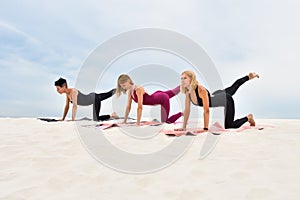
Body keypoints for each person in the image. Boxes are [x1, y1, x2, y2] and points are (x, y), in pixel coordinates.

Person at [177, 71, 259, 132]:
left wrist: (205, 129)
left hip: (226, 100)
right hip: (217, 95)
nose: (182, 80)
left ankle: (248, 117)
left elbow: (206, 110)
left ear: (191, 79)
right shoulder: (188, 92)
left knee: (229, 125)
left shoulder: (200, 89)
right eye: (181, 78)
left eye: (185, 78)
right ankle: (249, 77)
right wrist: (184, 127)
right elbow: (187, 110)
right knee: (233, 87)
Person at [116, 74, 182, 125]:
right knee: (175, 91)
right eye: (121, 86)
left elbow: (140, 107)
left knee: (165, 122)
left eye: (124, 85)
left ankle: (181, 113)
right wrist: (124, 121)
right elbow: (128, 107)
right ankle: (186, 83)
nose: (123, 88)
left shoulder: (138, 89)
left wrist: (138, 123)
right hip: (157, 95)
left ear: (128, 81)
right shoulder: (130, 91)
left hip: (162, 98)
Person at [54, 78, 118, 121]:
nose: (57, 91)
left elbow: (75, 106)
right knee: (109, 94)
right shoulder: (67, 94)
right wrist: (63, 118)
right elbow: (67, 107)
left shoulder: (73, 91)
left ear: (64, 86)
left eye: (58, 88)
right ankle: (112, 115)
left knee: (109, 94)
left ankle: (119, 89)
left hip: (95, 98)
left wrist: (72, 119)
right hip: (92, 97)